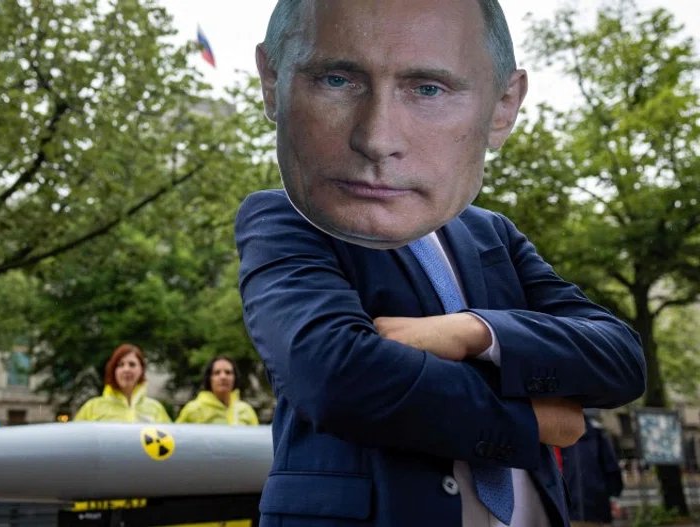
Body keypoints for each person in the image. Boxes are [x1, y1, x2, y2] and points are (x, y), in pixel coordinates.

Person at [234, 1, 647, 526]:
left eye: (428, 88)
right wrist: (533, 418)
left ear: (503, 107)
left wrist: (473, 333)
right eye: (337, 79)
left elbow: (618, 357)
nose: (376, 138)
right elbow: (336, 376)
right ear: (273, 83)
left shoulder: (492, 234)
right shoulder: (283, 218)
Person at [74, 343, 171, 423]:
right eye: (121, 365)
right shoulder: (92, 408)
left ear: (142, 369)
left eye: (132, 364)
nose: (126, 369)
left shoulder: (156, 409)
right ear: (113, 370)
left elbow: (171, 441)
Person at [561, 411, 624, 527]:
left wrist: (614, 496)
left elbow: (611, 469)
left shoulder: (596, 435)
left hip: (591, 510)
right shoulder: (562, 437)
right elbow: (612, 468)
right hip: (576, 510)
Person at [176, 355, 259, 425]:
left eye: (228, 372)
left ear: (235, 378)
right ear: (209, 379)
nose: (223, 377)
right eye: (217, 373)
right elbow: (177, 439)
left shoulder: (246, 410)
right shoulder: (193, 409)